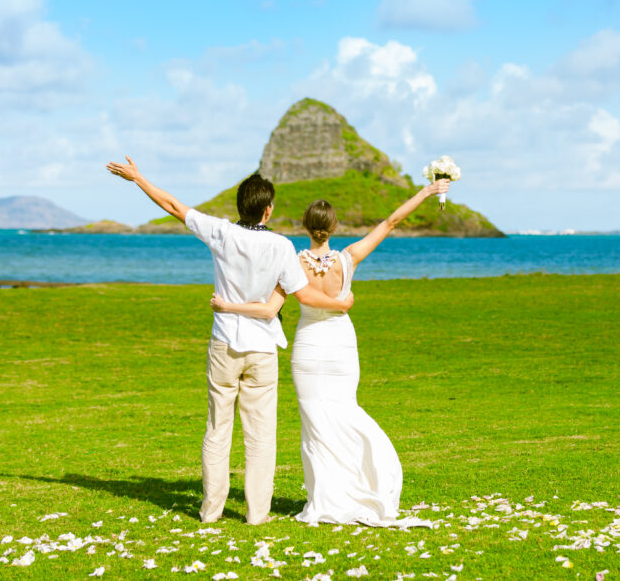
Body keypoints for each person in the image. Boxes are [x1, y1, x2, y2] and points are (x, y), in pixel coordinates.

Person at [106, 156, 353, 525]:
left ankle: (211, 511)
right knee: (260, 434)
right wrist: (341, 303)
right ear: (268, 210)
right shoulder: (283, 248)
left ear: (241, 207)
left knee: (218, 428)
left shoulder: (221, 232)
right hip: (262, 348)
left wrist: (139, 178)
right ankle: (257, 514)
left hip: (224, 343)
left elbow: (174, 206)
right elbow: (300, 295)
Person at [211, 178, 449, 526]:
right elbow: (391, 222)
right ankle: (358, 482)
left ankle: (324, 497)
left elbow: (268, 304)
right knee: (343, 411)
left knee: (315, 425)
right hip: (340, 347)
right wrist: (427, 192)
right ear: (333, 228)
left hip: (308, 348)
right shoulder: (348, 258)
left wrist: (228, 304)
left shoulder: (292, 261)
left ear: (306, 227)